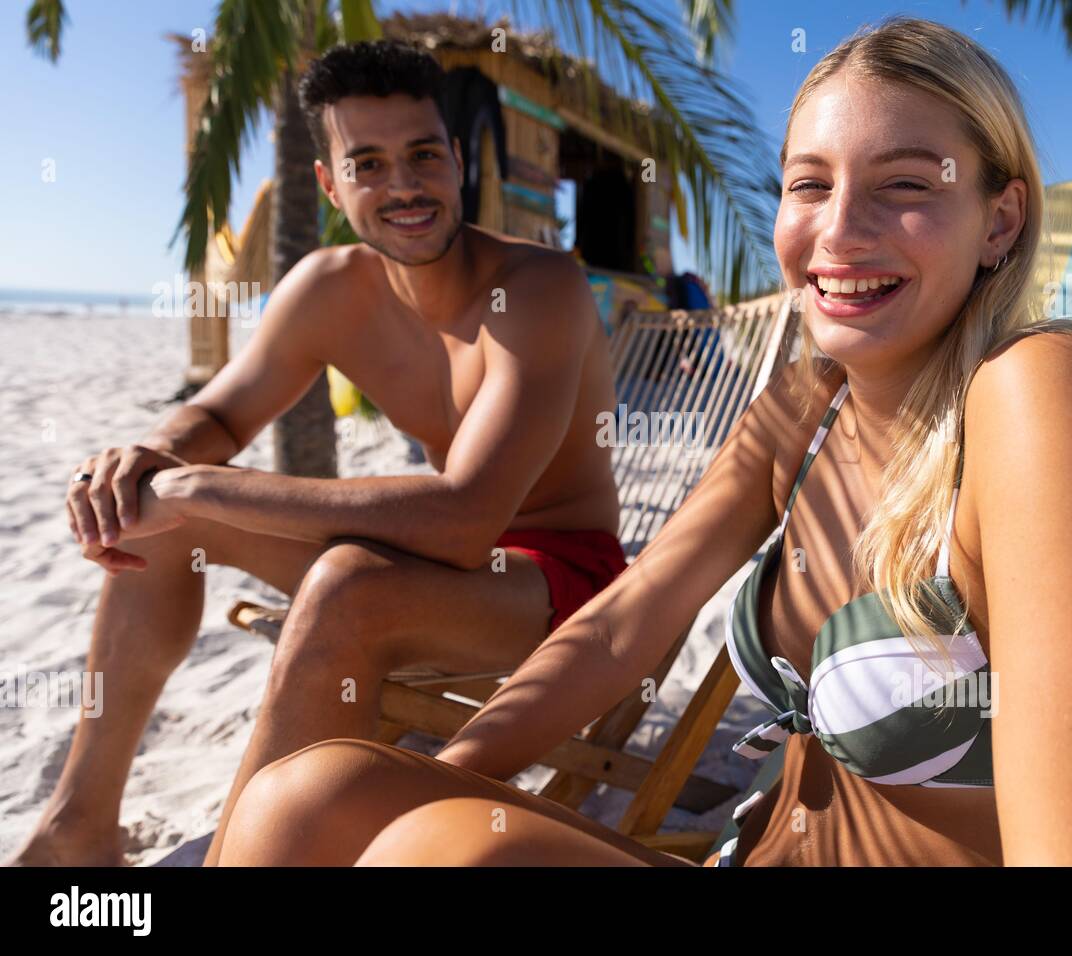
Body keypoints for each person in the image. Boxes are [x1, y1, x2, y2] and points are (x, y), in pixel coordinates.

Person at [216, 17, 1072, 867]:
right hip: (739, 856)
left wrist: (433, 816)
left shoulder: (1036, 394)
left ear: (998, 220)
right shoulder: (803, 409)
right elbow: (625, 624)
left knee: (430, 856)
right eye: (808, 184)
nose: (839, 230)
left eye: (904, 184)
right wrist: (450, 772)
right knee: (309, 793)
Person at [10, 40, 626, 867]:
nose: (403, 185)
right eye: (368, 163)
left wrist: (203, 488)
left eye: (421, 155)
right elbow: (218, 415)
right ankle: (77, 833)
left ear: (454, 161)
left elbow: (462, 519)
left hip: (556, 586)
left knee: (343, 583)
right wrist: (146, 460)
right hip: (427, 570)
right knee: (156, 521)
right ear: (331, 185)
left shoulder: (539, 288)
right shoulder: (331, 288)